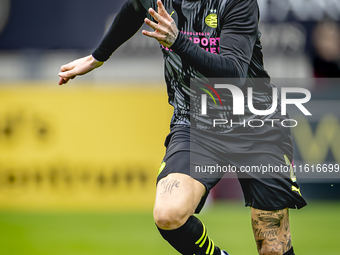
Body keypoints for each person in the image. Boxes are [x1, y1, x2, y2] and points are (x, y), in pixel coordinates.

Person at [58, 0, 307, 255]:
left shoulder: (237, 2)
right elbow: (134, 8)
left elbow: (233, 72)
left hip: (255, 123)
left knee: (273, 249)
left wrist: (177, 41)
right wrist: (98, 56)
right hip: (194, 121)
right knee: (168, 214)